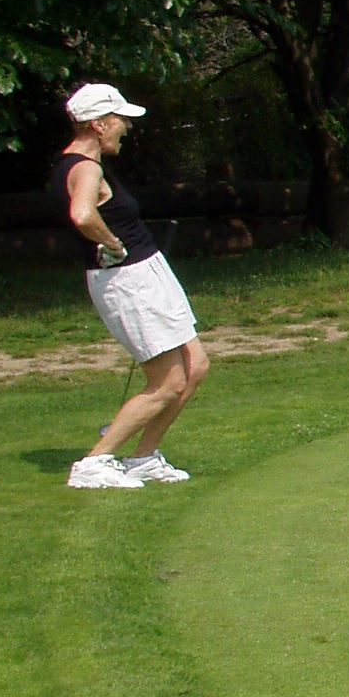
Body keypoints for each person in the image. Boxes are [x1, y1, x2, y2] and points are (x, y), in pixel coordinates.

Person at [54, 84, 209, 487]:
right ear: (98, 123)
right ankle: (94, 463)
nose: (126, 127)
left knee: (194, 368)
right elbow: (83, 214)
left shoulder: (88, 163)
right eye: (120, 119)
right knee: (168, 381)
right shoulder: (86, 167)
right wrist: (112, 243)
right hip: (128, 281)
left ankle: (143, 458)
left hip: (145, 274)